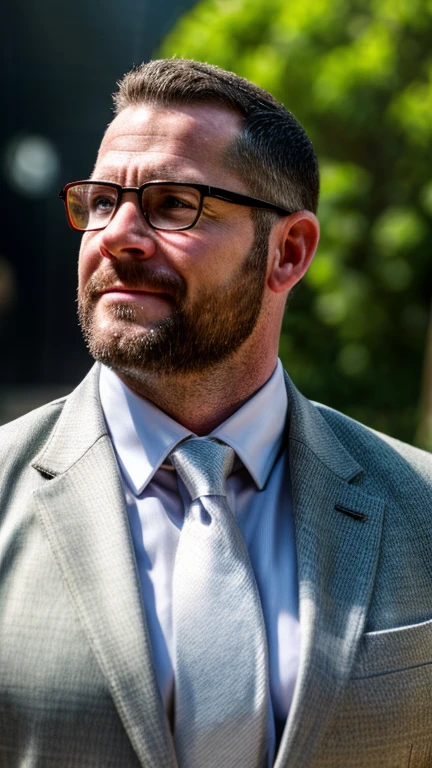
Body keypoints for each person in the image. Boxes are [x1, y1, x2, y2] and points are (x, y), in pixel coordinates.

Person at [1, 58, 431, 768]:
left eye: (173, 205)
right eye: (102, 202)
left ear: (288, 251)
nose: (117, 235)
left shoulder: (420, 508)